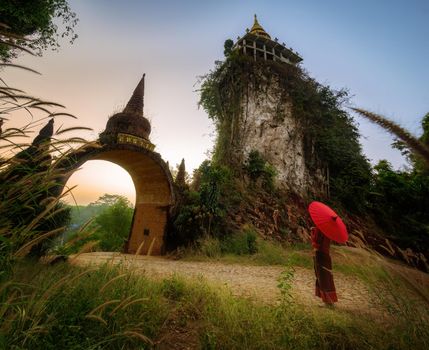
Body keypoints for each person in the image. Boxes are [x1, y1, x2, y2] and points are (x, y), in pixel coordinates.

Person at [311, 226, 338, 305]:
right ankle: (328, 300)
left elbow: (316, 242)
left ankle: (328, 301)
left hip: (320, 254)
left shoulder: (320, 229)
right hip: (326, 254)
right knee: (326, 277)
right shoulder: (328, 229)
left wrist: (313, 232)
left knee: (323, 277)